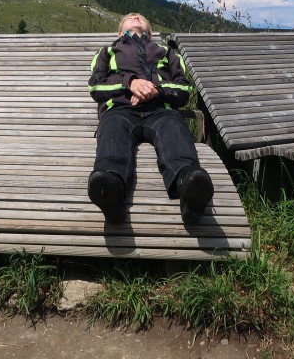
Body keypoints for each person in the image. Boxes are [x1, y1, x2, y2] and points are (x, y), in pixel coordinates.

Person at [86, 12, 214, 225]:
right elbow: (96, 86)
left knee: (174, 127)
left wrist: (155, 89)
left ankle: (189, 188)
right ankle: (110, 191)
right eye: (130, 16)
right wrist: (131, 83)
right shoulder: (107, 52)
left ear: (150, 31)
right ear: (120, 31)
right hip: (119, 111)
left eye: (141, 17)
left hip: (161, 111)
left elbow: (183, 89)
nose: (135, 16)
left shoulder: (167, 52)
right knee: (112, 129)